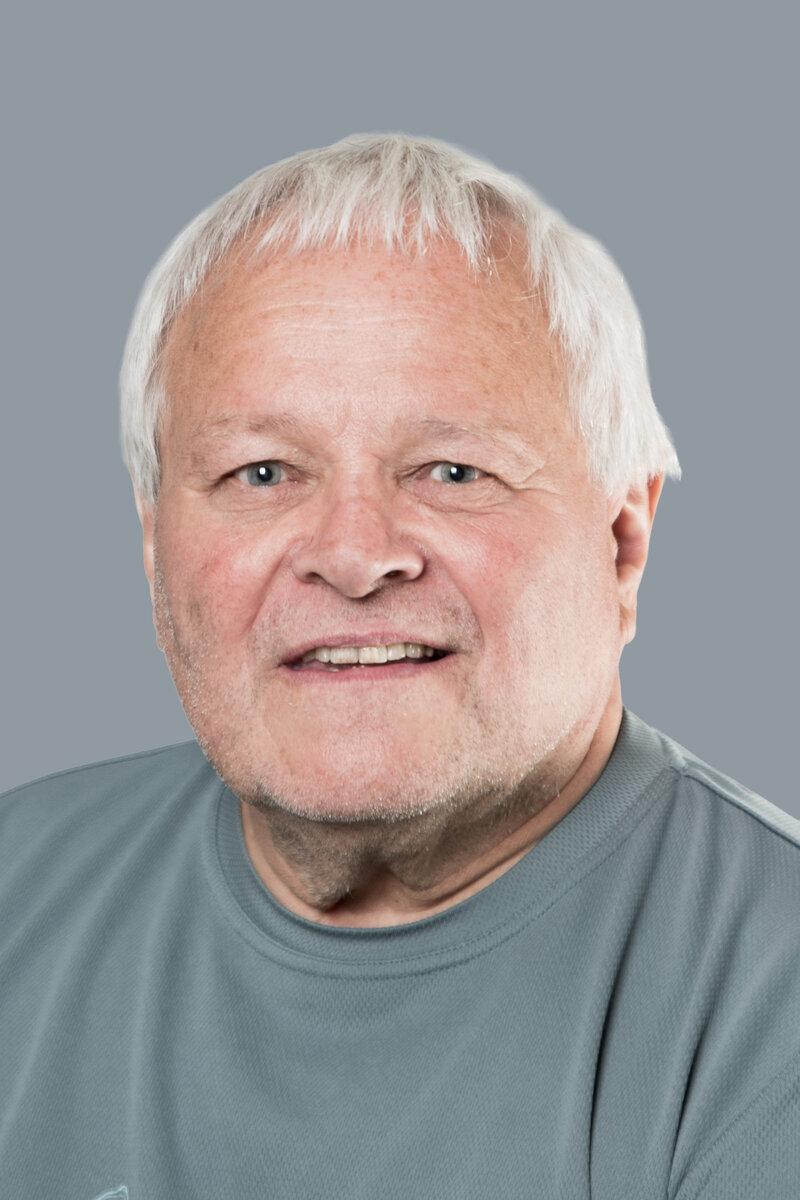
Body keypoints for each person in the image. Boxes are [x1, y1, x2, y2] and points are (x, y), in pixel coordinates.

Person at [1, 135, 798, 1199]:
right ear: (155, 550)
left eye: (452, 470)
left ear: (621, 541)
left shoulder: (768, 1010)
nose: (353, 554)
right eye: (261, 472)